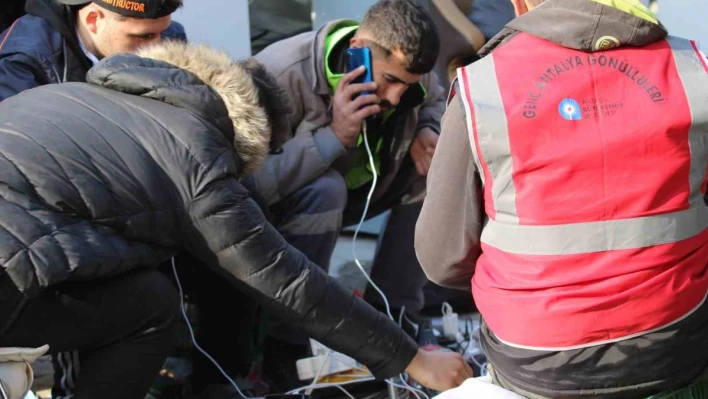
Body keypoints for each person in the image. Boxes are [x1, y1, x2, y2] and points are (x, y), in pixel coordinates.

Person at [0, 40, 472, 399]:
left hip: (18, 254)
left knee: (140, 291)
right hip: (8, 274)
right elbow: (287, 283)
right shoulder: (196, 153)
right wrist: (411, 359)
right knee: (149, 308)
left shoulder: (75, 94)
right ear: (249, 136)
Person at [416, 0, 708, 398]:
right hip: (675, 349)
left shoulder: (481, 87)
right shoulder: (694, 69)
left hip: (535, 364)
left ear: (522, 3)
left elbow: (441, 259)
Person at [251, 0, 446, 384]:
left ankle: (397, 315)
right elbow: (253, 183)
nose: (394, 97)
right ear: (357, 46)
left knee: (433, 169)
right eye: (389, 81)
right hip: (289, 207)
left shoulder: (408, 74)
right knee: (326, 189)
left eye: (407, 87)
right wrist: (333, 137)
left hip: (368, 187)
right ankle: (286, 341)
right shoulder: (279, 74)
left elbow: (435, 99)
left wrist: (429, 129)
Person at [0, 0, 186, 102]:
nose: (157, 46)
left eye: (163, 31)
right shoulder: (21, 65)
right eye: (143, 36)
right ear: (93, 20)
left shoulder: (171, 37)